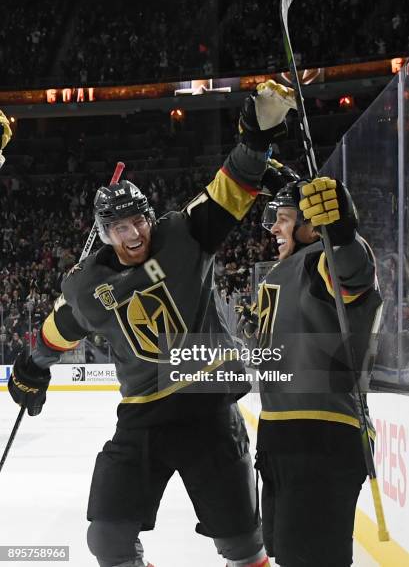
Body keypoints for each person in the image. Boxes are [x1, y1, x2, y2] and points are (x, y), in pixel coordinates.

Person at [8, 81, 296, 567]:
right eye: (120, 228)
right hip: (143, 414)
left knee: (243, 546)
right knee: (108, 539)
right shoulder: (87, 284)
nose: (134, 233)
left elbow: (227, 189)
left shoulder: (183, 235)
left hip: (208, 403)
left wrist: (256, 141)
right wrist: (33, 365)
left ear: (149, 217)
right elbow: (64, 325)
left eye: (139, 221)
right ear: (104, 233)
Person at [245, 179, 382, 567]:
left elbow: (352, 269)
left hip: (320, 436)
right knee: (287, 553)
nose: (273, 228)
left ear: (311, 226)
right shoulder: (282, 271)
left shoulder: (321, 259)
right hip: (281, 436)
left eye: (284, 219)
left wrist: (339, 232)